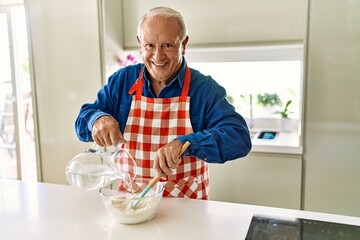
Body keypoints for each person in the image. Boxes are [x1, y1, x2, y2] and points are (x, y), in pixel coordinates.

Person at [75, 6, 251, 200]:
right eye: (150, 45)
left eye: (168, 45)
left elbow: (239, 137)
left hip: (188, 210)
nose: (158, 56)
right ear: (140, 44)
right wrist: (97, 119)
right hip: (132, 204)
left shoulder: (204, 89)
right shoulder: (123, 81)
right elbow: (83, 123)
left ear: (184, 44)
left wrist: (187, 144)